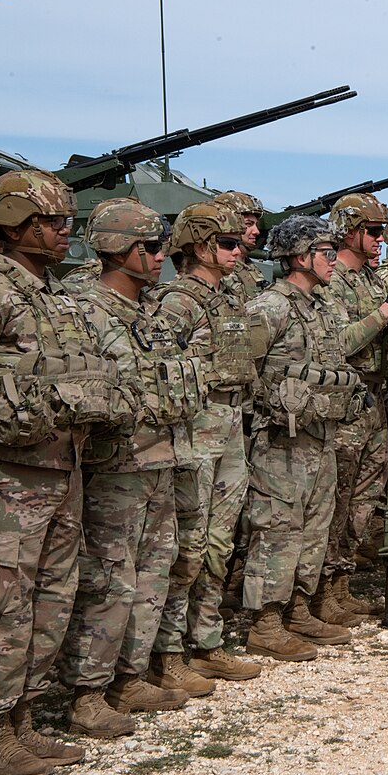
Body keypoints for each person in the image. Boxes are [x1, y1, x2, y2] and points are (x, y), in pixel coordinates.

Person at [0, 170, 131, 775]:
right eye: (52, 222)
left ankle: (23, 717)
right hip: (6, 481)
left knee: (50, 604)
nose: (64, 232)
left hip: (63, 472)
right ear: (11, 227)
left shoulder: (53, 296)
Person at [59, 199, 206, 738]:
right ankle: (86, 693)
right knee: (109, 579)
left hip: (160, 460)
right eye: (150, 246)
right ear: (119, 251)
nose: (160, 255)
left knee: (152, 574)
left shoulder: (147, 313)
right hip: (114, 466)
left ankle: (129, 675)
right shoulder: (84, 312)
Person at [243, 216, 368, 659]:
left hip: (320, 437)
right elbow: (244, 374)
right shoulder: (269, 308)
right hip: (281, 442)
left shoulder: (320, 307)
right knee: (278, 528)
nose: (334, 262)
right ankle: (265, 622)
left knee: (315, 526)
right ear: (300, 257)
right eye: (326, 254)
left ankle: (298, 607)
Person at [151, 202, 261, 694]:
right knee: (187, 544)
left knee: (220, 540)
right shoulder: (177, 302)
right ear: (200, 248)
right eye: (228, 244)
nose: (239, 251)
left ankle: (207, 639)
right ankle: (167, 651)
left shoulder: (227, 297)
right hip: (195, 428)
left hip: (230, 423)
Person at [319, 192, 388, 617]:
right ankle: (323, 590)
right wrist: (385, 312)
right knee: (339, 496)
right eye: (373, 231)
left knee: (365, 496)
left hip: (375, 400)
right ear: (349, 231)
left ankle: (342, 581)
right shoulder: (334, 281)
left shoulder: (370, 278)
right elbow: (340, 342)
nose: (380, 239)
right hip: (346, 401)